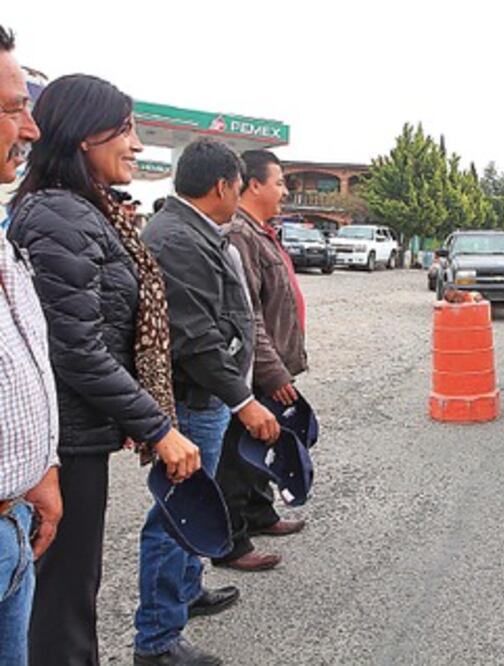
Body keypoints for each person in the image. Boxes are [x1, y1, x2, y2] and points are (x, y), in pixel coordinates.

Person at [7, 71, 202, 665]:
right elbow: (79, 349)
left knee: (69, 595)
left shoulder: (90, 212)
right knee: (61, 608)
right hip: (64, 442)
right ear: (82, 137)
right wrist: (158, 427)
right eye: (124, 130)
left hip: (78, 437)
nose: (138, 145)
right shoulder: (61, 216)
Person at [134, 138, 280, 665]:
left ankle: (185, 590)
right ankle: (156, 642)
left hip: (206, 398)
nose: (239, 196)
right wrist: (244, 401)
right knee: (176, 518)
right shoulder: (177, 239)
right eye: (239, 187)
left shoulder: (196, 231)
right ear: (222, 186)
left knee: (194, 513)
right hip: (195, 400)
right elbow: (195, 338)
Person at [214, 150, 307, 571]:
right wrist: (272, 372)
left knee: (261, 447)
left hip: (268, 368)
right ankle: (231, 541)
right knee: (236, 455)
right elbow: (248, 314)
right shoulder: (240, 236)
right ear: (253, 185)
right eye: (280, 182)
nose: (284, 191)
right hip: (252, 371)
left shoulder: (261, 232)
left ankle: (258, 512)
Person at [0, 25, 61, 666]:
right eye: (15, 109)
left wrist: (38, 469)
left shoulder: (4, 239)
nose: (31, 130)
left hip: (15, 521)